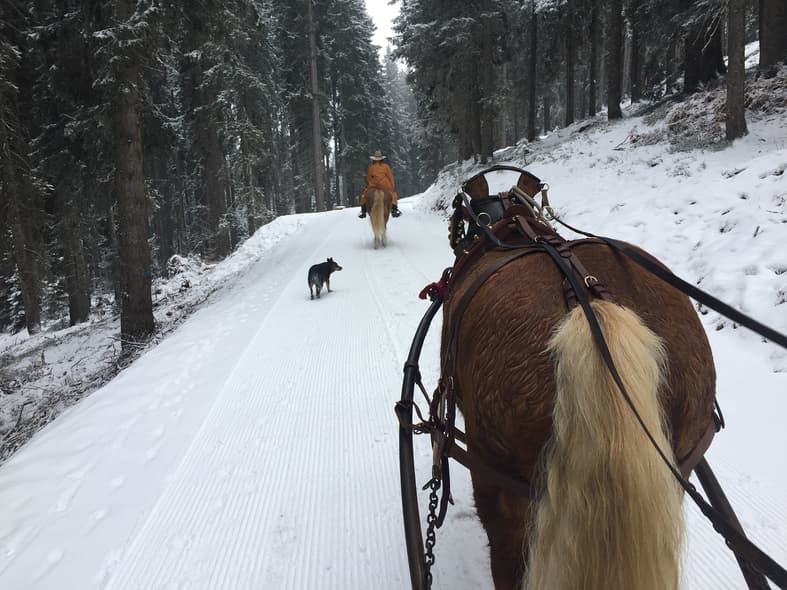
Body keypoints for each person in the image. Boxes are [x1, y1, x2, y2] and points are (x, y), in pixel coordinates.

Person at [358, 150, 401, 218]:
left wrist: (371, 184)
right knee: (393, 195)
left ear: (374, 159)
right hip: (385, 185)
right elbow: (390, 177)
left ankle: (363, 211)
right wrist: (392, 188)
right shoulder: (386, 167)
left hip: (374, 185)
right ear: (382, 159)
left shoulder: (371, 168)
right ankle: (394, 210)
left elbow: (368, 178)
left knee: (364, 196)